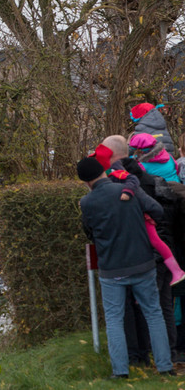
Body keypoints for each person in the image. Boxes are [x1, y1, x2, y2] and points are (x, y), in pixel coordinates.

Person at [77, 156, 175, 378]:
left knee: (114, 319)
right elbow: (157, 211)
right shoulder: (129, 189)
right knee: (153, 313)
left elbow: (89, 232)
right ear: (103, 171)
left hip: (111, 268)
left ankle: (120, 371)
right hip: (143, 263)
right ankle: (165, 367)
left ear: (86, 182)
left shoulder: (87, 202)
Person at [102, 135, 180, 367]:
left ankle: (140, 357)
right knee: (162, 307)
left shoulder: (121, 181)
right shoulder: (151, 177)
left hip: (141, 253)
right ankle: (168, 357)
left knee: (139, 309)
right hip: (162, 248)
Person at [91, 143, 185, 285]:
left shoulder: (116, 172)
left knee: (155, 240)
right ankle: (174, 270)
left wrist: (128, 192)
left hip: (143, 215)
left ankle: (176, 270)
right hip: (140, 215)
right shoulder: (115, 173)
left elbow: (131, 181)